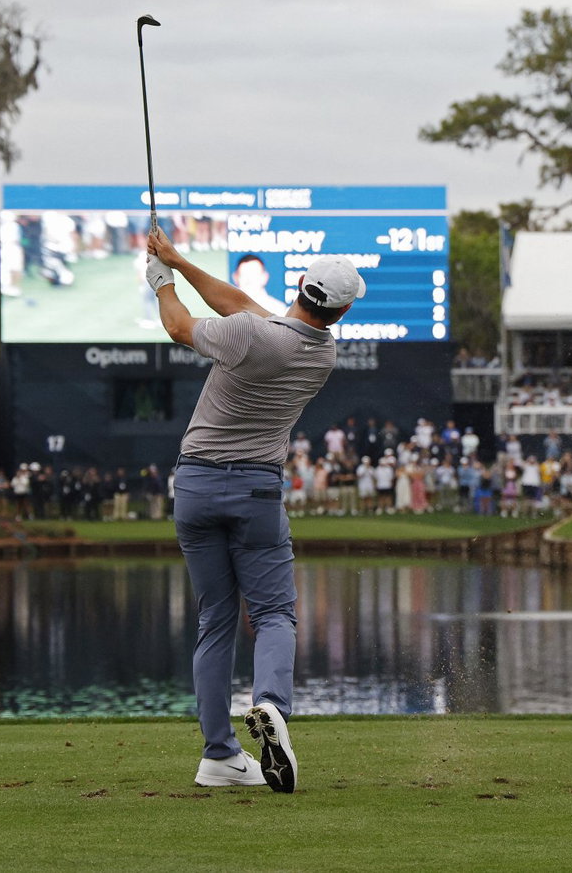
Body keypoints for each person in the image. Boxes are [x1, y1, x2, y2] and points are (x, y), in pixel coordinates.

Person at [147, 225, 365, 794]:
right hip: (256, 492)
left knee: (215, 620)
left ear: (300, 283)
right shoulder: (322, 352)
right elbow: (242, 304)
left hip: (195, 486)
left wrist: (161, 280)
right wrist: (179, 260)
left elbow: (179, 326)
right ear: (341, 311)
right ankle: (270, 704)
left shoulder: (250, 335)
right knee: (272, 614)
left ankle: (219, 754)